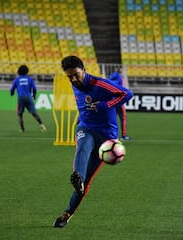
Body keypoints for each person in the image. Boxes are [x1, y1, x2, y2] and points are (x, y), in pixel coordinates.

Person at [53, 56, 133, 228]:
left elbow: (127, 94)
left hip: (107, 138)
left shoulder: (100, 84)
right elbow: (83, 104)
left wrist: (106, 105)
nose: (73, 79)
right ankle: (78, 178)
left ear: (84, 69)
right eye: (70, 77)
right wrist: (81, 119)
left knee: (87, 181)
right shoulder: (75, 84)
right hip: (85, 129)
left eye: (76, 74)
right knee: (82, 148)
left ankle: (67, 213)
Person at [10, 65, 46, 132]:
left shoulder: (17, 79)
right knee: (34, 113)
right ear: (27, 71)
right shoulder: (30, 79)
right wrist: (34, 95)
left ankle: (22, 129)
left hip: (21, 97)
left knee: (20, 114)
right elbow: (34, 89)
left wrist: (12, 93)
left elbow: (12, 89)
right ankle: (42, 125)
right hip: (29, 97)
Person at [109, 67, 131, 140]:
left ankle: (111, 135)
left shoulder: (111, 77)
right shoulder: (120, 77)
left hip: (111, 100)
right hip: (119, 100)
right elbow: (121, 88)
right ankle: (123, 135)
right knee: (123, 118)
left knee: (112, 118)